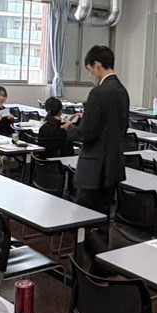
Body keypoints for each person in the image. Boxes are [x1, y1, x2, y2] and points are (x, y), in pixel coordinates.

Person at [64, 45, 129, 213]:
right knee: (103, 214)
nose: (91, 74)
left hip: (93, 167)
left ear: (97, 65)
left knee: (84, 216)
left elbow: (87, 133)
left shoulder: (98, 92)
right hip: (113, 165)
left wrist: (70, 128)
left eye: (90, 69)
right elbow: (123, 127)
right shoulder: (122, 91)